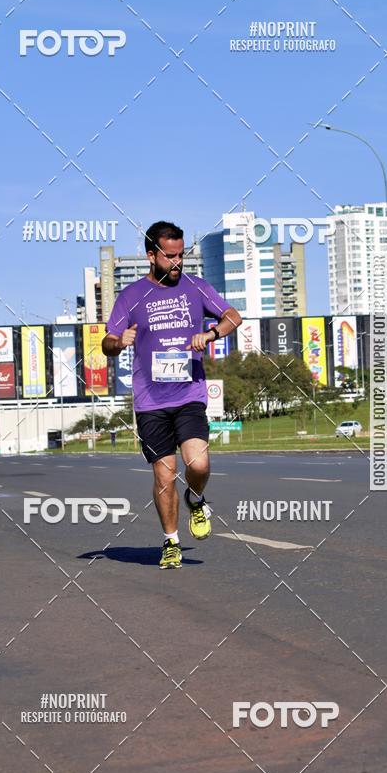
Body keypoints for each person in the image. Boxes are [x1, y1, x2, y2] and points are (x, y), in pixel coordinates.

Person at [102, 221, 242, 569]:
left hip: (188, 394)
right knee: (164, 474)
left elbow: (233, 316)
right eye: (170, 256)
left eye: (181, 255)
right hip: (150, 401)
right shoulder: (132, 296)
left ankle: (195, 498)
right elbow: (107, 342)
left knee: (199, 463)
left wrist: (210, 335)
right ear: (152, 255)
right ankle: (171, 542)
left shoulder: (196, 287)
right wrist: (120, 342)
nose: (177, 262)